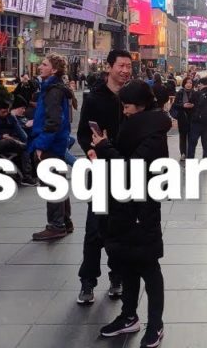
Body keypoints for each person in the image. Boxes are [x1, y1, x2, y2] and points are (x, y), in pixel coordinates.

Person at [92, 81, 169, 347]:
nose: (124, 111)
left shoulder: (154, 133)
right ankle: (128, 316)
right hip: (121, 205)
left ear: (142, 105)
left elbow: (133, 168)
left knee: (148, 265)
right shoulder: (133, 126)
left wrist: (104, 148)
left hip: (142, 208)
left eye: (127, 106)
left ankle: (155, 324)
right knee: (125, 262)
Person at [75, 50, 133, 305]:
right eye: (121, 66)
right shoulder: (95, 98)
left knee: (121, 230)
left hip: (125, 171)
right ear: (109, 67)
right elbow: (83, 133)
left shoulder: (133, 97)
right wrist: (90, 148)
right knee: (94, 231)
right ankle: (87, 282)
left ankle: (117, 277)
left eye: (128, 66)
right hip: (100, 172)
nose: (125, 71)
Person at [29, 55, 77, 241]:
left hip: (51, 143)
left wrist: (41, 145)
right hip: (57, 142)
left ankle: (56, 225)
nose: (40, 67)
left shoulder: (52, 90)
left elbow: (54, 121)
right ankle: (64, 221)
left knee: (52, 184)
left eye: (44, 64)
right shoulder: (54, 88)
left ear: (54, 70)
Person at [0, 99, 33, 184]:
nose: (5, 114)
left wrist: (26, 140)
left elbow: (20, 131)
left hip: (11, 141)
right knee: (7, 141)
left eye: (7, 111)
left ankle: (27, 176)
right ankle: (21, 144)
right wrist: (1, 136)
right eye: (3, 112)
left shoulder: (11, 117)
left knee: (25, 148)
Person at [187, 77, 207, 159]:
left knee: (192, 143)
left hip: (197, 122)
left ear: (201, 84)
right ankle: (206, 159)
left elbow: (189, 102)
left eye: (199, 84)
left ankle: (190, 160)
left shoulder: (197, 93)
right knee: (205, 143)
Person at [170, 76, 195, 159]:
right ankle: (183, 153)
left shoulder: (194, 93)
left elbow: (198, 105)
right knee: (183, 136)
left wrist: (193, 105)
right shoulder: (180, 93)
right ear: (184, 84)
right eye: (187, 83)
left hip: (192, 118)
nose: (189, 84)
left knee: (191, 137)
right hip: (182, 118)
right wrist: (183, 105)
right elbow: (175, 105)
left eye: (190, 83)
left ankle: (190, 153)